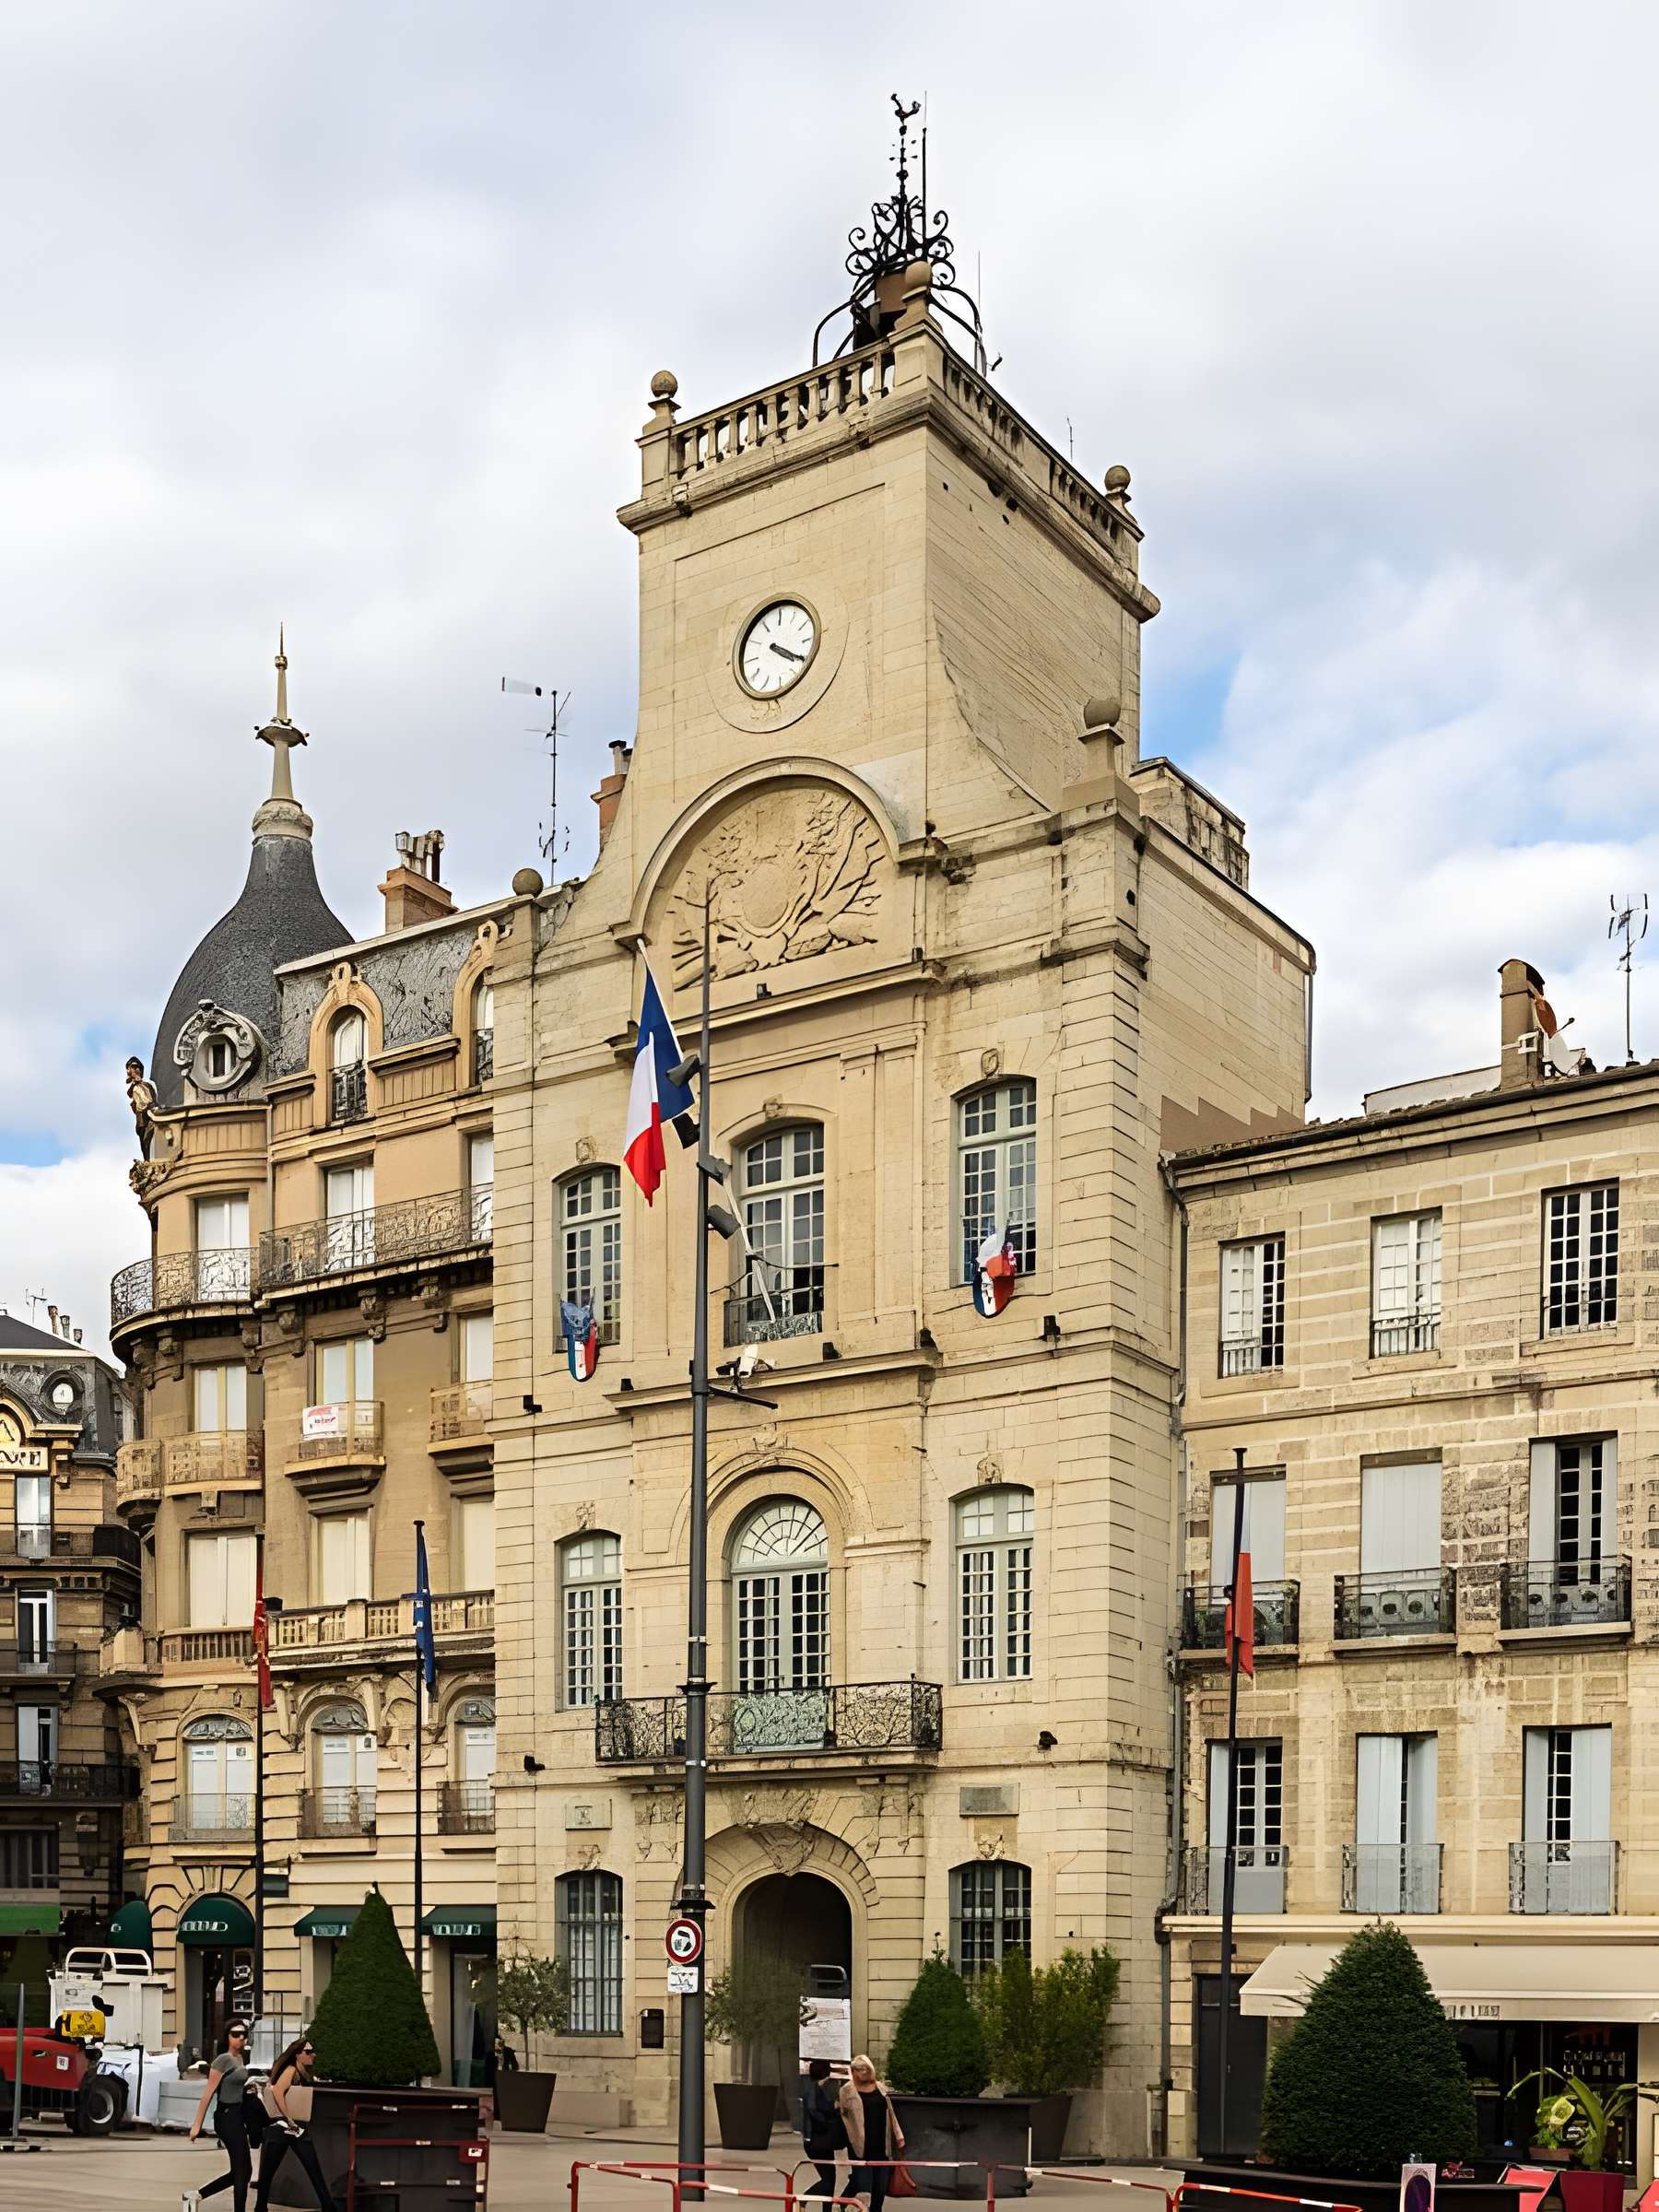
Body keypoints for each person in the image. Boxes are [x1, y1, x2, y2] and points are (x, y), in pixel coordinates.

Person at [253, 2036, 337, 2212]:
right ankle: (260, 2207)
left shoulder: (301, 2072)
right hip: (284, 2128)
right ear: (297, 2054)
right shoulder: (291, 2070)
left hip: (296, 2129)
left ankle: (328, 2206)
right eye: (308, 2052)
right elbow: (277, 2091)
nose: (313, 2055)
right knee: (268, 2173)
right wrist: (289, 2119)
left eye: (313, 2051)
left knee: (312, 2168)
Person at [185, 2018, 257, 2212]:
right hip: (226, 2117)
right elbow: (208, 2093)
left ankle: (196, 2195)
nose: (240, 2038)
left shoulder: (240, 2058)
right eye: (235, 2034)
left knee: (244, 2171)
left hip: (237, 2116)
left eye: (243, 2034)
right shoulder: (222, 2060)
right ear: (227, 2037)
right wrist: (197, 2125)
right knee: (241, 2170)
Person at [838, 2053, 905, 2212]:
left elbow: (891, 2114)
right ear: (852, 2071)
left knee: (879, 2190)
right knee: (864, 2188)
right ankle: (842, 2203)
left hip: (882, 2147)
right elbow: (843, 2117)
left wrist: (898, 2136)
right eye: (858, 2069)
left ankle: (844, 2203)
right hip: (860, 2148)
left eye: (865, 2069)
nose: (863, 2072)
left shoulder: (881, 2088)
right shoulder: (846, 2090)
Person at [800, 2056, 845, 2200]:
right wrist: (831, 2116)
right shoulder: (814, 2090)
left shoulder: (814, 2089)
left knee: (830, 2178)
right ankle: (804, 2198)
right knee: (828, 2180)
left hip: (818, 2140)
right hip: (818, 2140)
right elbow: (814, 2111)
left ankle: (825, 2206)